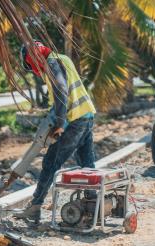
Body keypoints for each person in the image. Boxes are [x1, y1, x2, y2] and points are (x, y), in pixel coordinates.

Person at [15, 41, 97, 223]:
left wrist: (59, 123)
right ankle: (94, 204)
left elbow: (61, 89)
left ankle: (35, 206)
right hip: (87, 114)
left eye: (31, 66)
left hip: (74, 119)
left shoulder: (52, 64)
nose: (35, 70)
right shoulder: (62, 59)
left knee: (51, 161)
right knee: (87, 163)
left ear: (33, 59)